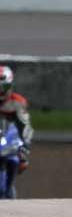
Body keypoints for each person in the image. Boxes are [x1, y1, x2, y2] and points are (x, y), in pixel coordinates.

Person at [0, 66, 34, 196]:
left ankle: (10, 194)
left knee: (21, 160)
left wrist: (25, 147)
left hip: (10, 142)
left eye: (3, 87)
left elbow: (26, 126)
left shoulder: (18, 102)